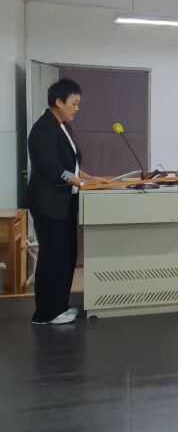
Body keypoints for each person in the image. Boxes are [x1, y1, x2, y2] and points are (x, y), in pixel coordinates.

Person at [26, 78, 106, 325]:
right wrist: (79, 182)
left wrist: (88, 178)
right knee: (52, 257)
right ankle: (45, 313)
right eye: (74, 103)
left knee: (66, 255)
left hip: (65, 203)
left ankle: (59, 306)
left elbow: (71, 165)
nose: (77, 109)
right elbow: (52, 168)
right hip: (49, 204)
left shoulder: (63, 127)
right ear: (59, 102)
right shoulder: (43, 129)